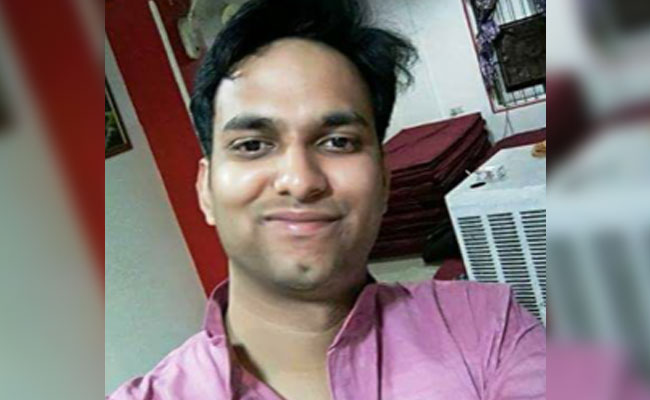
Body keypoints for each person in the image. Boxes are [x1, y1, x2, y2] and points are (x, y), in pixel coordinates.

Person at [108, 0, 545, 399]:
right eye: (252, 145)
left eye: (338, 141)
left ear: (384, 181)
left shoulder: (489, 329)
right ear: (206, 190)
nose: (300, 181)